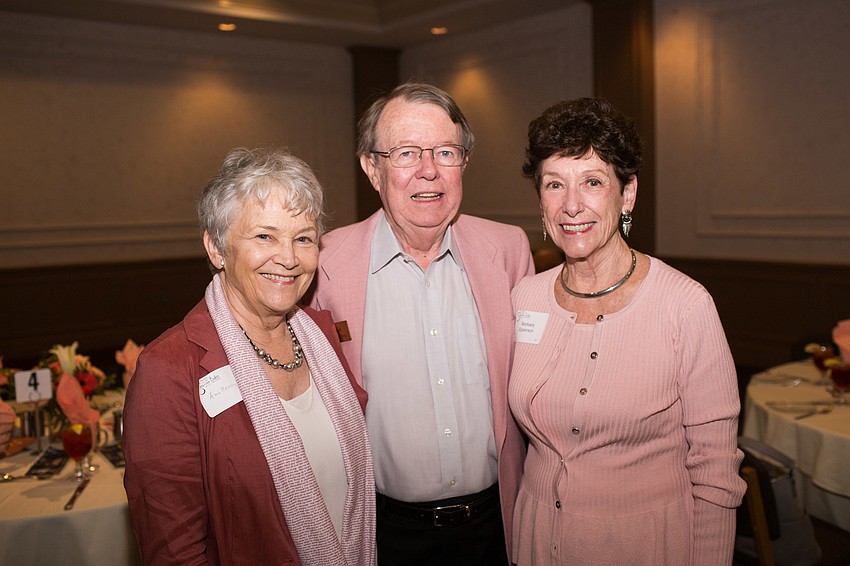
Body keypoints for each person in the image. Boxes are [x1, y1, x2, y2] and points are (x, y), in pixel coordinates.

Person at [508, 98, 746, 565]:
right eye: (555, 184)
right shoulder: (524, 299)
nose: (571, 205)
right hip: (536, 543)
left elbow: (716, 472)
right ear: (541, 199)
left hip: (643, 545)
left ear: (628, 193)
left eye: (592, 182)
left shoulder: (685, 306)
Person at [309, 82, 534, 565]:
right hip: (386, 535)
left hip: (499, 528)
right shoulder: (324, 266)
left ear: (464, 163)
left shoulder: (509, 251)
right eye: (407, 152)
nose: (428, 171)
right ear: (373, 168)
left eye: (446, 152)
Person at [123, 147, 375, 566]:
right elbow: (174, 550)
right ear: (216, 248)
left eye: (304, 238)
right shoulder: (169, 369)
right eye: (264, 236)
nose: (290, 258)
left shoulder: (323, 337)